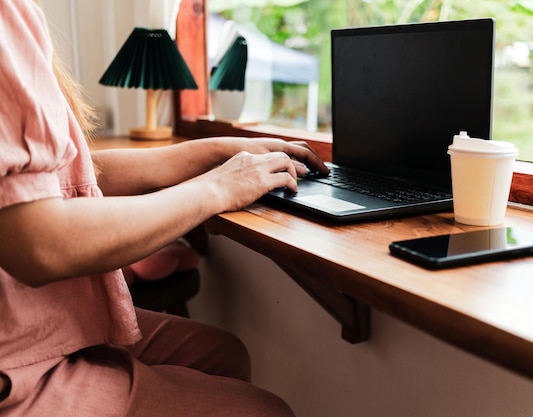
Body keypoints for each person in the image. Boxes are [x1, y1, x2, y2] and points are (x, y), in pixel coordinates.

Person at [0, 1, 329, 416]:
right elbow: (41, 244)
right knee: (265, 411)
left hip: (29, 319)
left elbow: (68, 176)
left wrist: (217, 152)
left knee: (223, 354)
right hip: (17, 362)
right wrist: (218, 189)